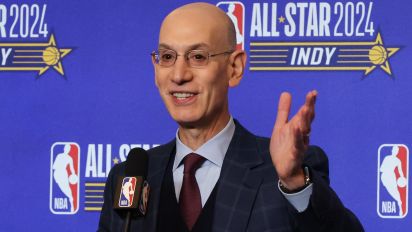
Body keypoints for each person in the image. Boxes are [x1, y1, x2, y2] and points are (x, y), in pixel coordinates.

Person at [98, 2, 364, 231]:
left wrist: (295, 184)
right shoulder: (129, 178)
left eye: (198, 56)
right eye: (167, 56)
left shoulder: (289, 170)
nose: (179, 75)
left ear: (234, 68)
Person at [380, 145, 407, 216]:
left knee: (396, 192)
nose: (395, 151)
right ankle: (400, 204)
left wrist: (403, 178)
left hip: (392, 177)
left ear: (397, 152)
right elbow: (381, 169)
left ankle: (400, 206)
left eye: (396, 151)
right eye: (394, 150)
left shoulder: (398, 161)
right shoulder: (387, 158)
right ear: (392, 151)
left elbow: (400, 171)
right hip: (385, 176)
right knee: (391, 191)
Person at [52, 144, 77, 212]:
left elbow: (72, 168)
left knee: (67, 189)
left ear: (69, 150)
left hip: (63, 173)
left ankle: (71, 203)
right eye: (66, 148)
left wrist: (74, 175)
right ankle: (71, 199)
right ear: (64, 148)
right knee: (63, 188)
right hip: (57, 174)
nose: (67, 149)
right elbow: (54, 166)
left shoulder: (69, 158)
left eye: (68, 148)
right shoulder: (59, 155)